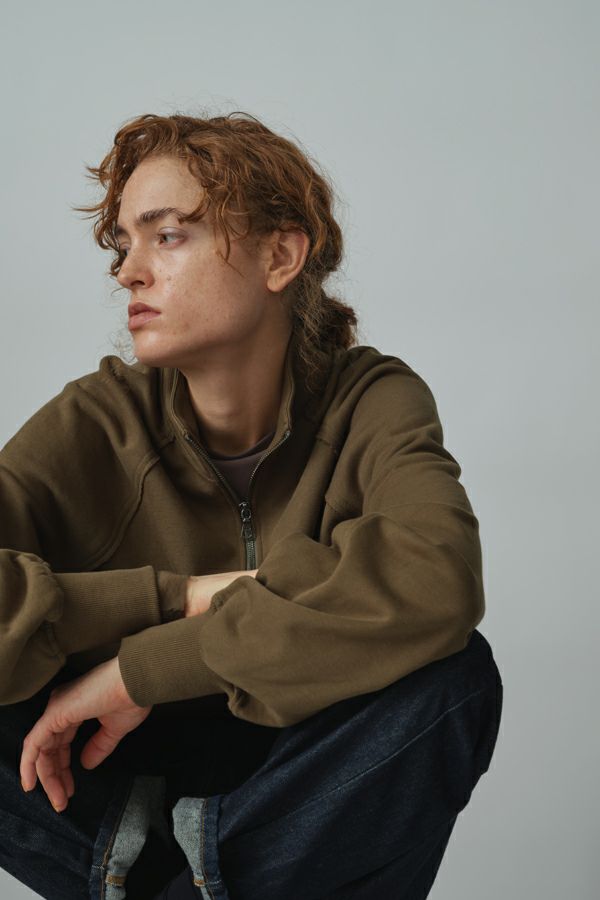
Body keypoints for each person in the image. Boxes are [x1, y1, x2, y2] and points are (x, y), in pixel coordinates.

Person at [0, 111, 503, 900]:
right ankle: (172, 870)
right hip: (108, 801)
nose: (129, 272)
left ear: (280, 256)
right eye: (124, 244)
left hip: (291, 788)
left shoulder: (371, 400)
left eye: (168, 235)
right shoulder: (97, 420)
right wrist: (176, 598)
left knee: (452, 681)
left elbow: (434, 579)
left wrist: (142, 670)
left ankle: (200, 874)